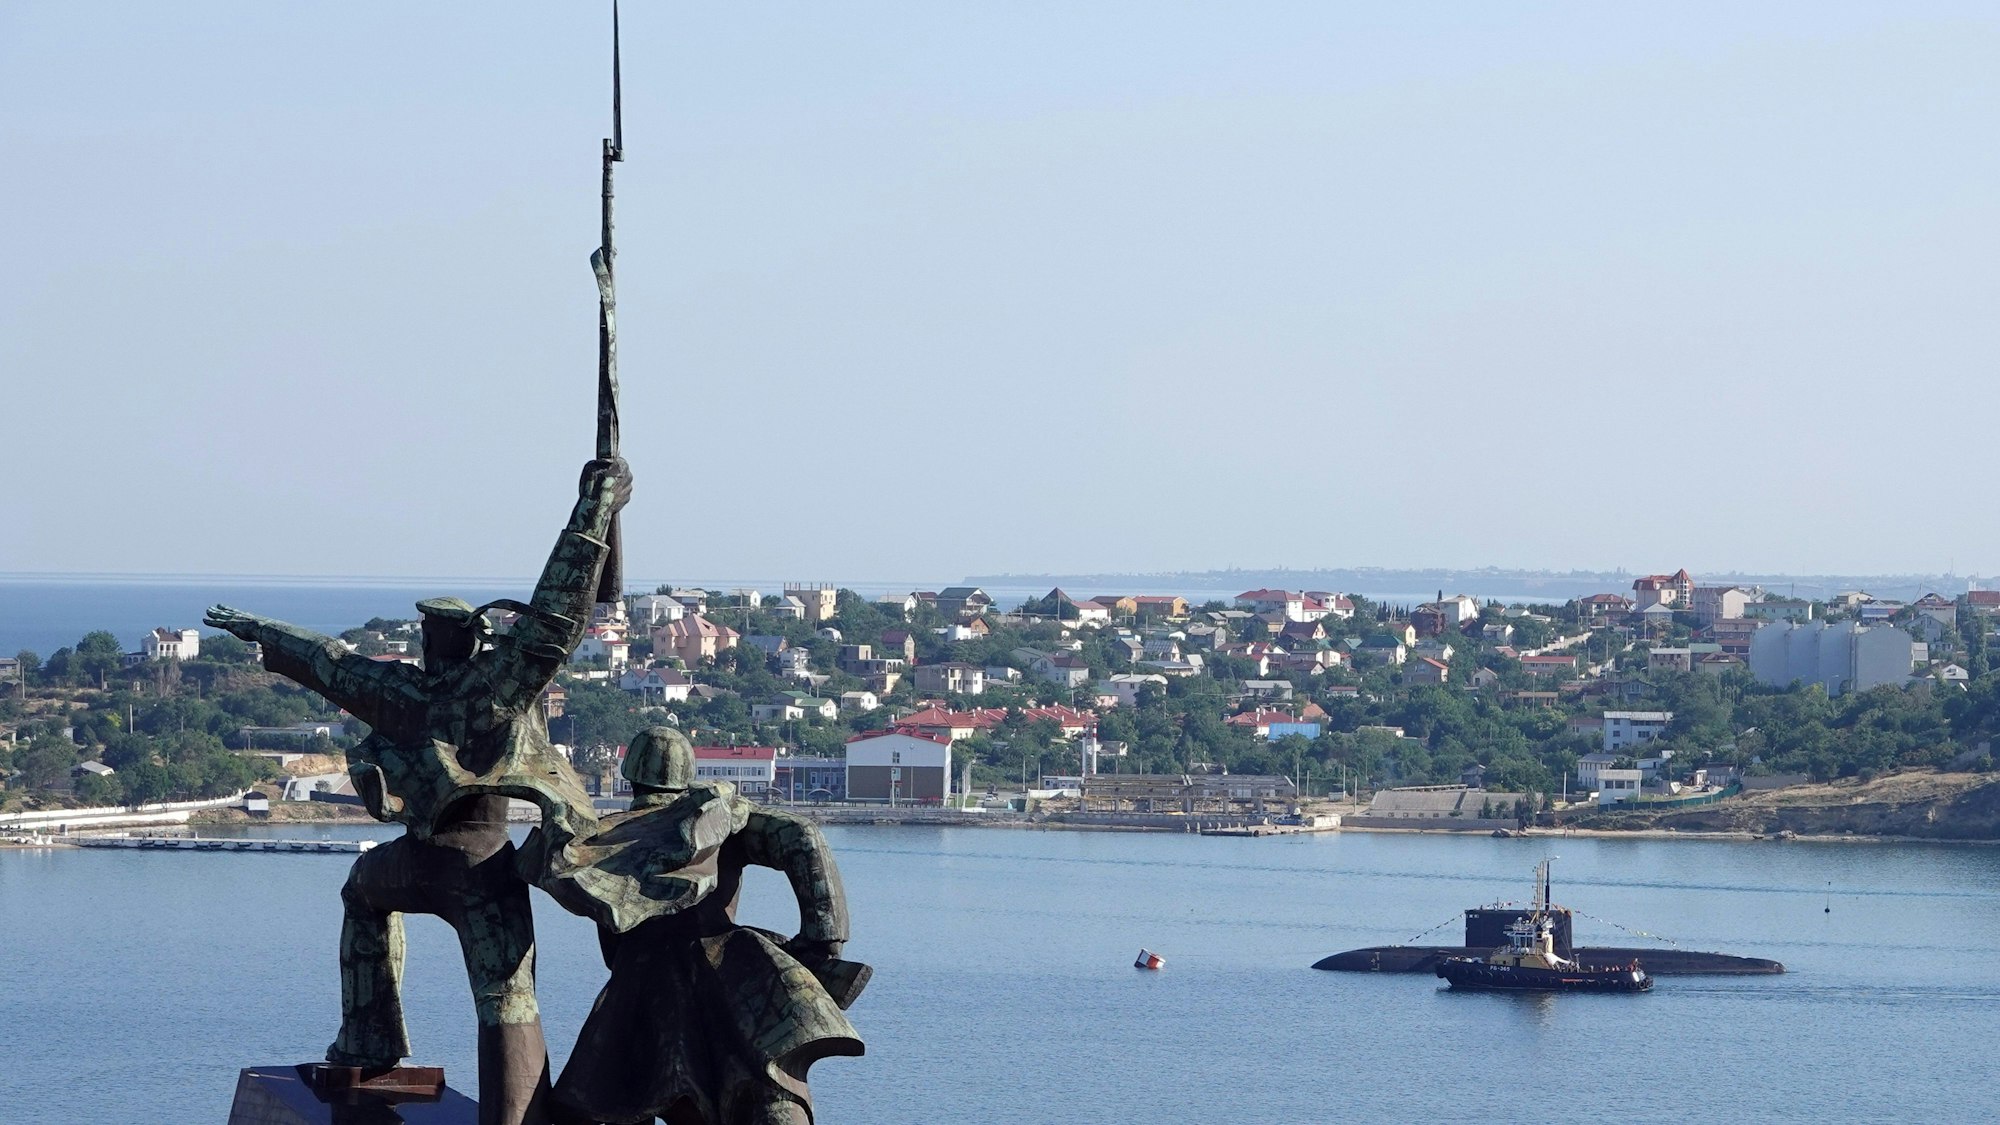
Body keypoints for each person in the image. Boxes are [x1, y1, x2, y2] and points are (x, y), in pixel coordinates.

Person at [204, 456, 630, 1125]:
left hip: (420, 861)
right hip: (480, 866)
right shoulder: (494, 688)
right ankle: (509, 1115)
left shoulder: (405, 693)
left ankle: (370, 1039)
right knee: (508, 996)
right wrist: (593, 510)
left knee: (362, 888)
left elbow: (329, 663)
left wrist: (262, 631)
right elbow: (555, 617)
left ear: (436, 641)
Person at [520, 726, 867, 1125]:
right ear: (687, 776)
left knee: (603, 1104)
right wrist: (822, 941)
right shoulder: (717, 818)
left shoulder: (602, 838)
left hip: (640, 992)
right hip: (737, 974)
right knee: (768, 1091)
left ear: (629, 776)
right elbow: (802, 836)